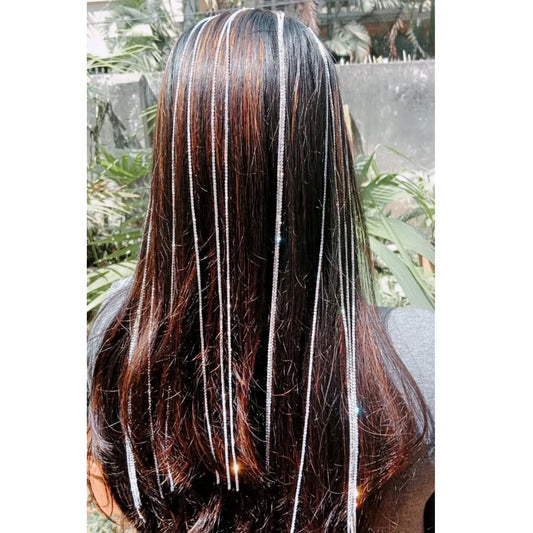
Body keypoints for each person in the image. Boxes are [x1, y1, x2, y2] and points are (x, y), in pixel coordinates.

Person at [87, 8, 434, 533]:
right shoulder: (420, 359)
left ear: (175, 154)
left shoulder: (122, 334)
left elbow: (112, 493)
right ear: (324, 152)